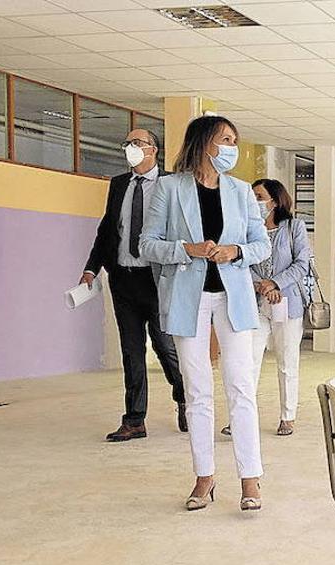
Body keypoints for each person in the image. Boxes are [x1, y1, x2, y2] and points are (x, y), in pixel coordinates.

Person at [139, 115, 270, 512]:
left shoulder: (242, 190)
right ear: (203, 142)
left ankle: (251, 479)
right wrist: (187, 249)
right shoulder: (168, 187)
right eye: (225, 139)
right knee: (197, 391)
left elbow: (260, 243)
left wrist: (238, 252)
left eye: (234, 139)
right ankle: (204, 477)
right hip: (188, 299)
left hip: (233, 298)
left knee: (241, 386)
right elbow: (147, 245)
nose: (231, 146)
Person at [80, 128, 186, 442]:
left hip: (156, 279)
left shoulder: (171, 184)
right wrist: (91, 267)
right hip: (122, 278)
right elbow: (107, 229)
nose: (130, 147)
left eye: (136, 143)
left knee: (165, 346)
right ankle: (135, 419)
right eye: (127, 142)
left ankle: (185, 398)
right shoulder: (119, 184)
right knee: (131, 351)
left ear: (153, 150)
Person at [222, 178, 311, 437]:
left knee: (286, 362)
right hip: (256, 303)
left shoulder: (294, 227)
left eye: (260, 197)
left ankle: (287, 416)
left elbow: (301, 263)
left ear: (275, 200)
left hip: (287, 303)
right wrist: (261, 285)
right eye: (253, 197)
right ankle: (240, 418)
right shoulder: (246, 230)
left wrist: (275, 284)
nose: (255, 202)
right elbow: (240, 261)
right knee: (247, 362)